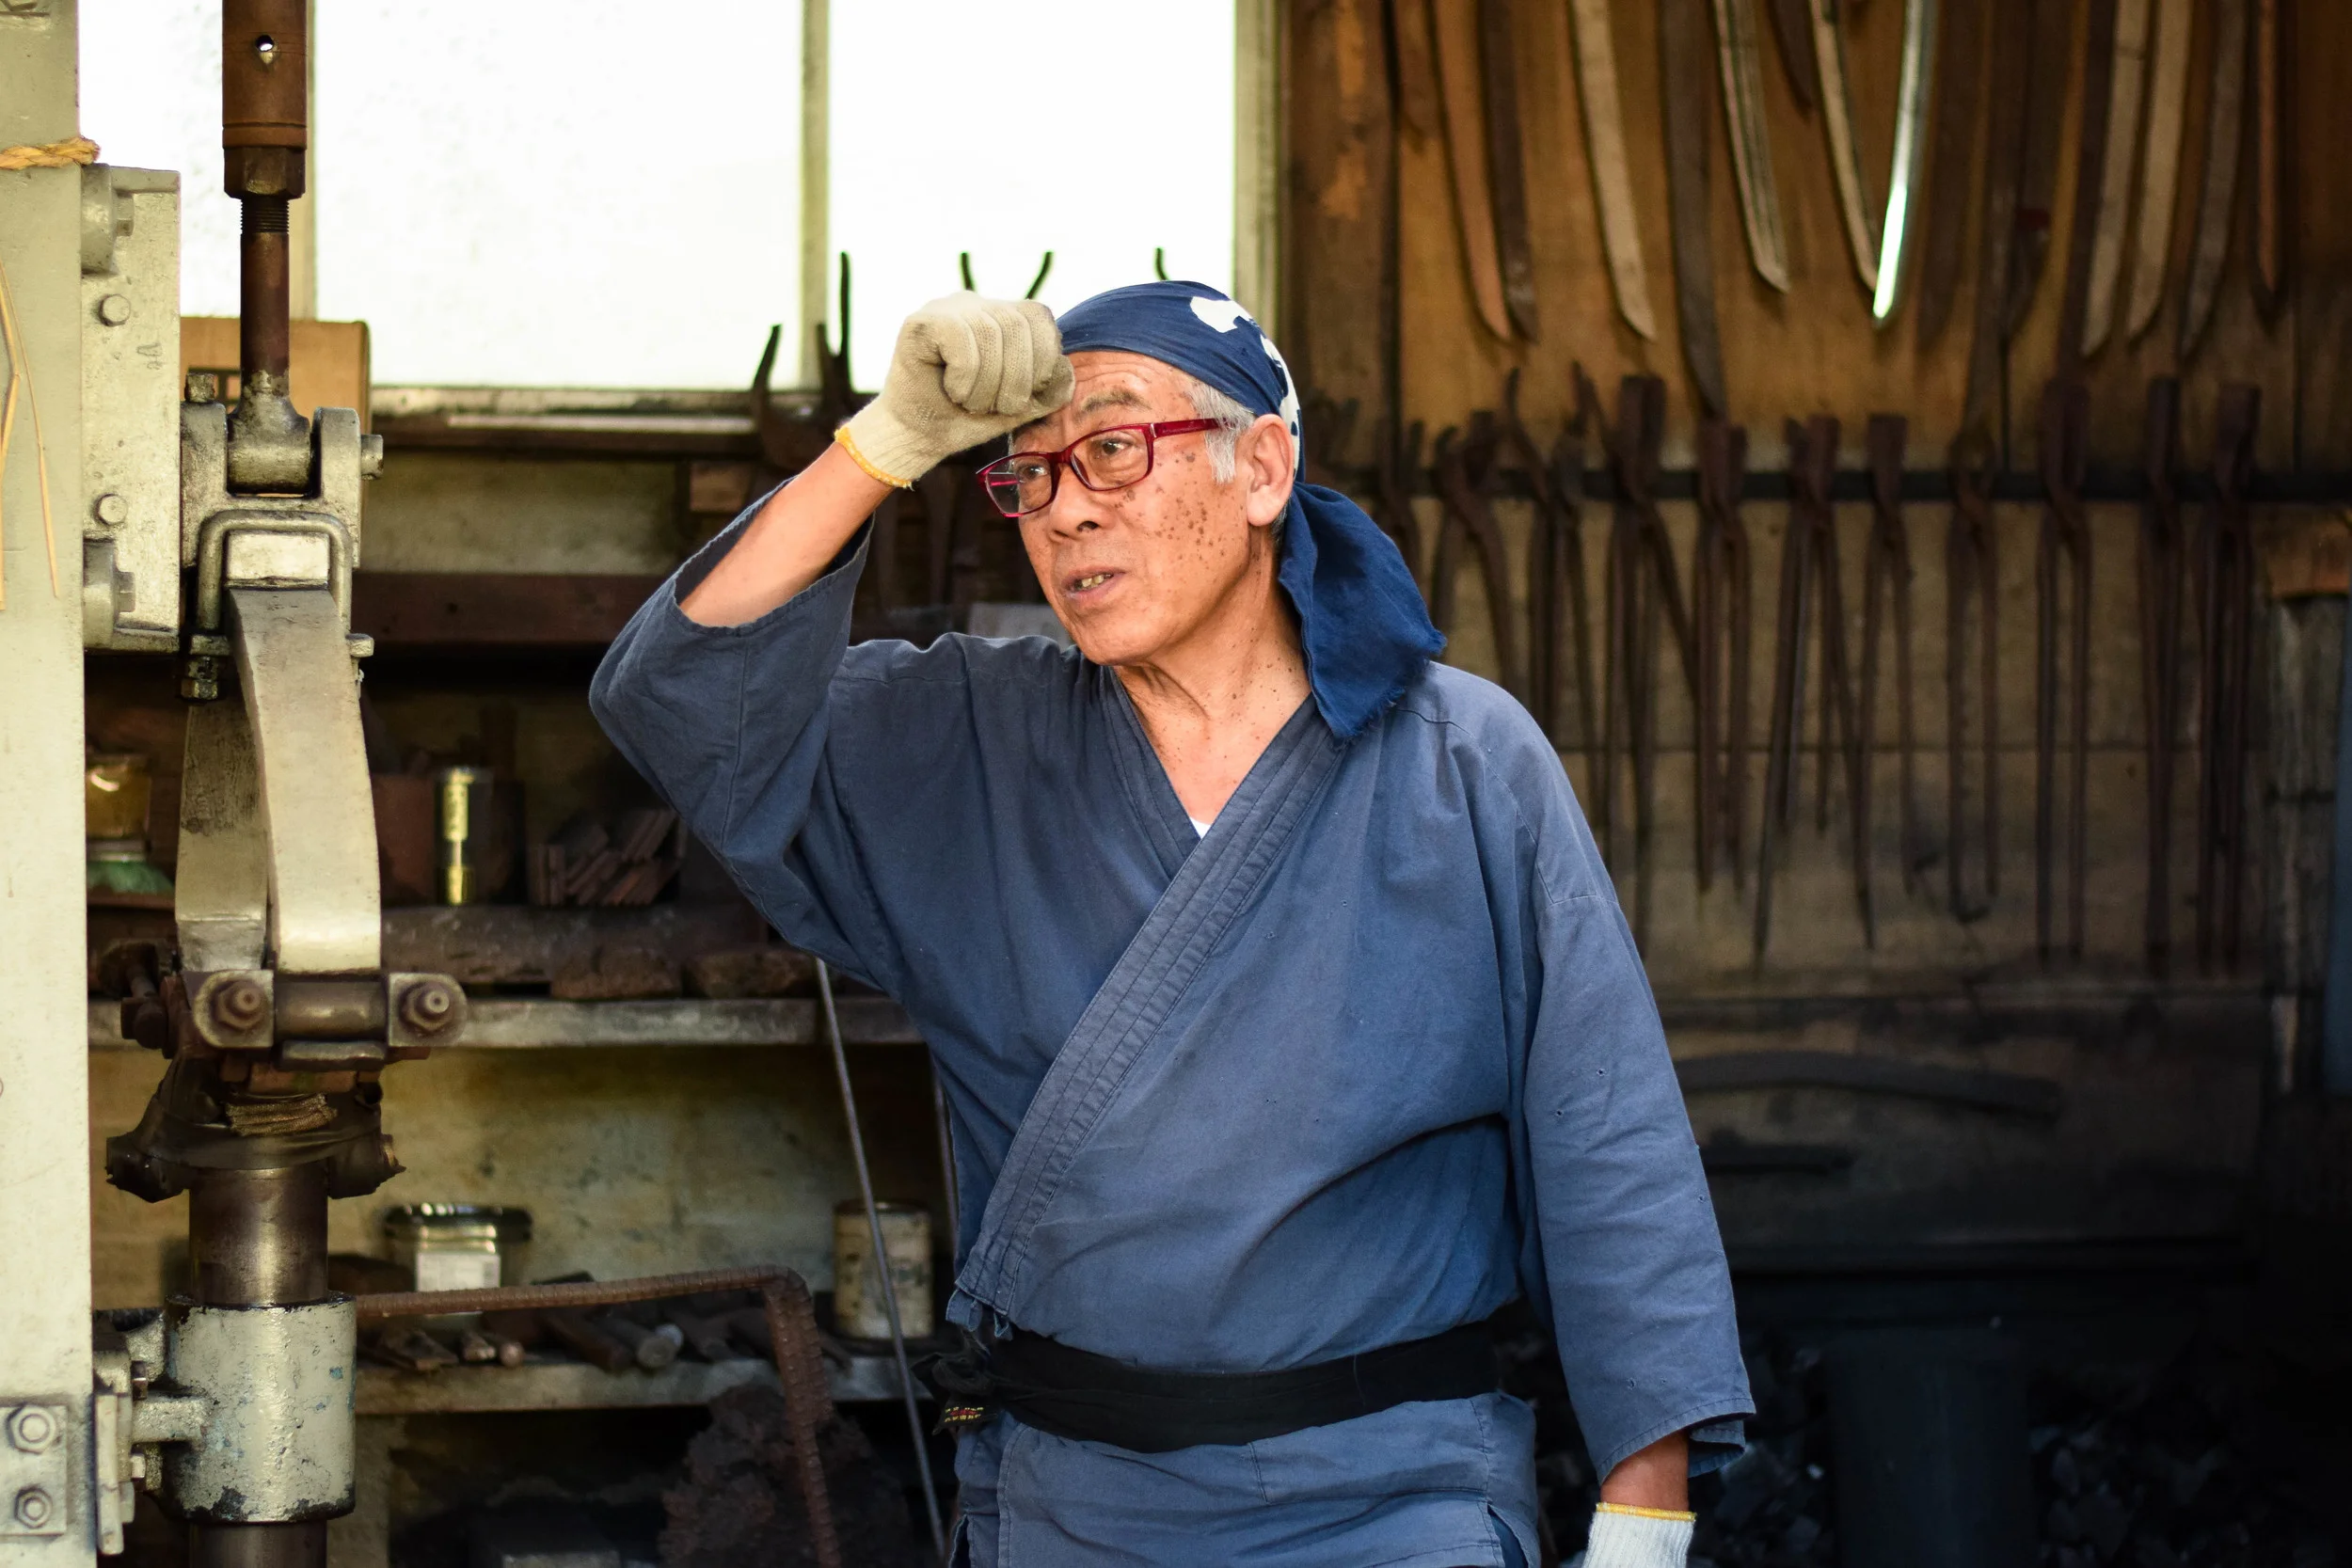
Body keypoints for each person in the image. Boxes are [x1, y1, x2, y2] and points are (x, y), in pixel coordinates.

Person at [592, 282, 1751, 1568]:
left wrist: (1644, 1513)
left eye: (1113, 449)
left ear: (1262, 468)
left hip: (1395, 1497)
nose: (1067, 507)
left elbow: (1607, 1133)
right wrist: (888, 443)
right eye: (1026, 477)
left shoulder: (1464, 762)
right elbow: (680, 703)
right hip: (1071, 1507)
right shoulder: (971, 740)